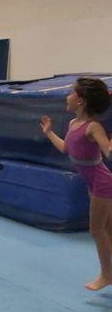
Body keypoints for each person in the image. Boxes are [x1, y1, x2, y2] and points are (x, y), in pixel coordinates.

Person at [41, 77, 112, 291]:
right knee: (108, 228)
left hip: (103, 183)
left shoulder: (93, 127)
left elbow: (107, 152)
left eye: (71, 93)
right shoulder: (74, 124)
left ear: (80, 101)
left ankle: (107, 275)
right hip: (94, 184)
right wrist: (49, 133)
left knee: (96, 228)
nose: (67, 96)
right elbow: (66, 149)